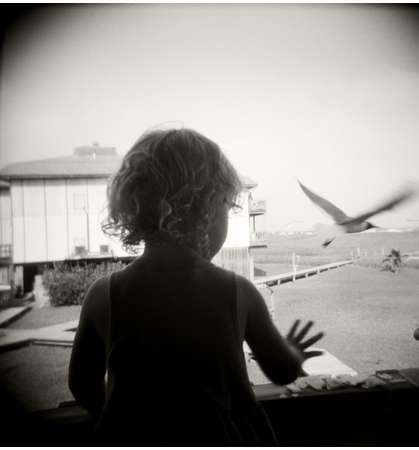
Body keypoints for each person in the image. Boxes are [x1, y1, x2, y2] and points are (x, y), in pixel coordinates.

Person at [69, 127, 324, 445]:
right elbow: (281, 371)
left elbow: (81, 384)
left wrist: (117, 419)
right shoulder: (238, 292)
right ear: (205, 209)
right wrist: (294, 354)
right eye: (226, 207)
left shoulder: (102, 295)